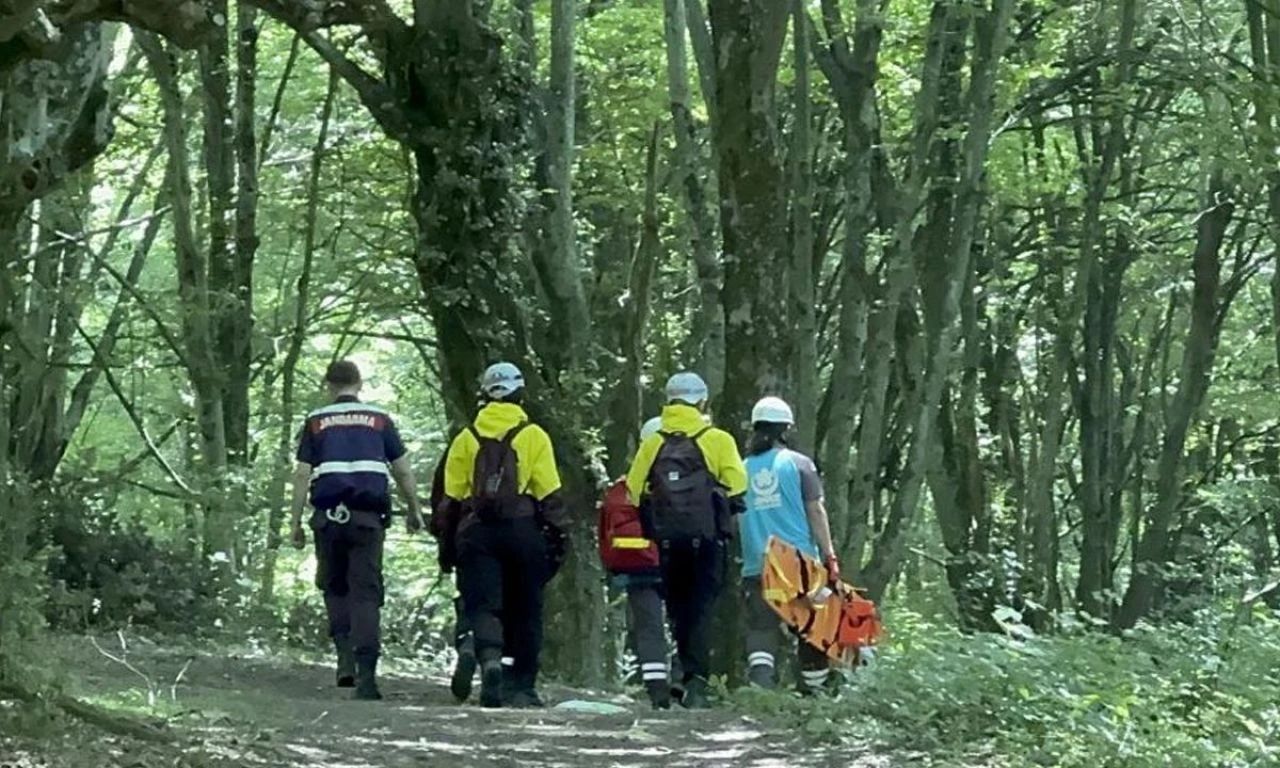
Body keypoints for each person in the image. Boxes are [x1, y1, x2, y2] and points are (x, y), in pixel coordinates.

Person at [290, 360, 425, 701]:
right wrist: (414, 510)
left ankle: (344, 659)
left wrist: (294, 523)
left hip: (328, 518)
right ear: (359, 383)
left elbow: (302, 475)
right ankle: (368, 677)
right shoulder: (379, 420)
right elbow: (403, 471)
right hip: (367, 518)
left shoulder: (315, 422)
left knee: (334, 587)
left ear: (328, 385)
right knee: (366, 592)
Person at [441, 362, 567, 708]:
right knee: (527, 609)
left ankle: (492, 661)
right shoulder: (534, 435)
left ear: (484, 395)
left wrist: (449, 547)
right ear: (520, 393)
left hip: (477, 532)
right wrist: (557, 541)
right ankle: (522, 686)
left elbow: (451, 500)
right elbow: (549, 495)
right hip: (523, 530)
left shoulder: (466, 438)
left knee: (483, 604)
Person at [625, 372, 747, 708]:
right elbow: (738, 486)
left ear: (669, 401)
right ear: (702, 400)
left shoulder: (653, 443)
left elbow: (633, 491)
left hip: (666, 541)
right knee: (701, 609)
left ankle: (680, 677)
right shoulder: (718, 439)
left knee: (677, 611)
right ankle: (697, 684)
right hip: (706, 541)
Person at [740, 396, 839, 694]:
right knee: (812, 625)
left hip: (758, 562)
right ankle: (813, 691)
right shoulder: (799, 464)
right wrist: (829, 554)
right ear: (786, 429)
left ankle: (761, 686)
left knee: (761, 626)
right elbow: (815, 511)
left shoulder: (741, 468)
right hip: (798, 564)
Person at [600, 417, 671, 709]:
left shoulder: (625, 485)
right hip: (680, 560)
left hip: (638, 565)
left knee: (648, 626)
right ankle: (686, 684)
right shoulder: (689, 480)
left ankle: (657, 689)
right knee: (687, 623)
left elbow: (605, 533)